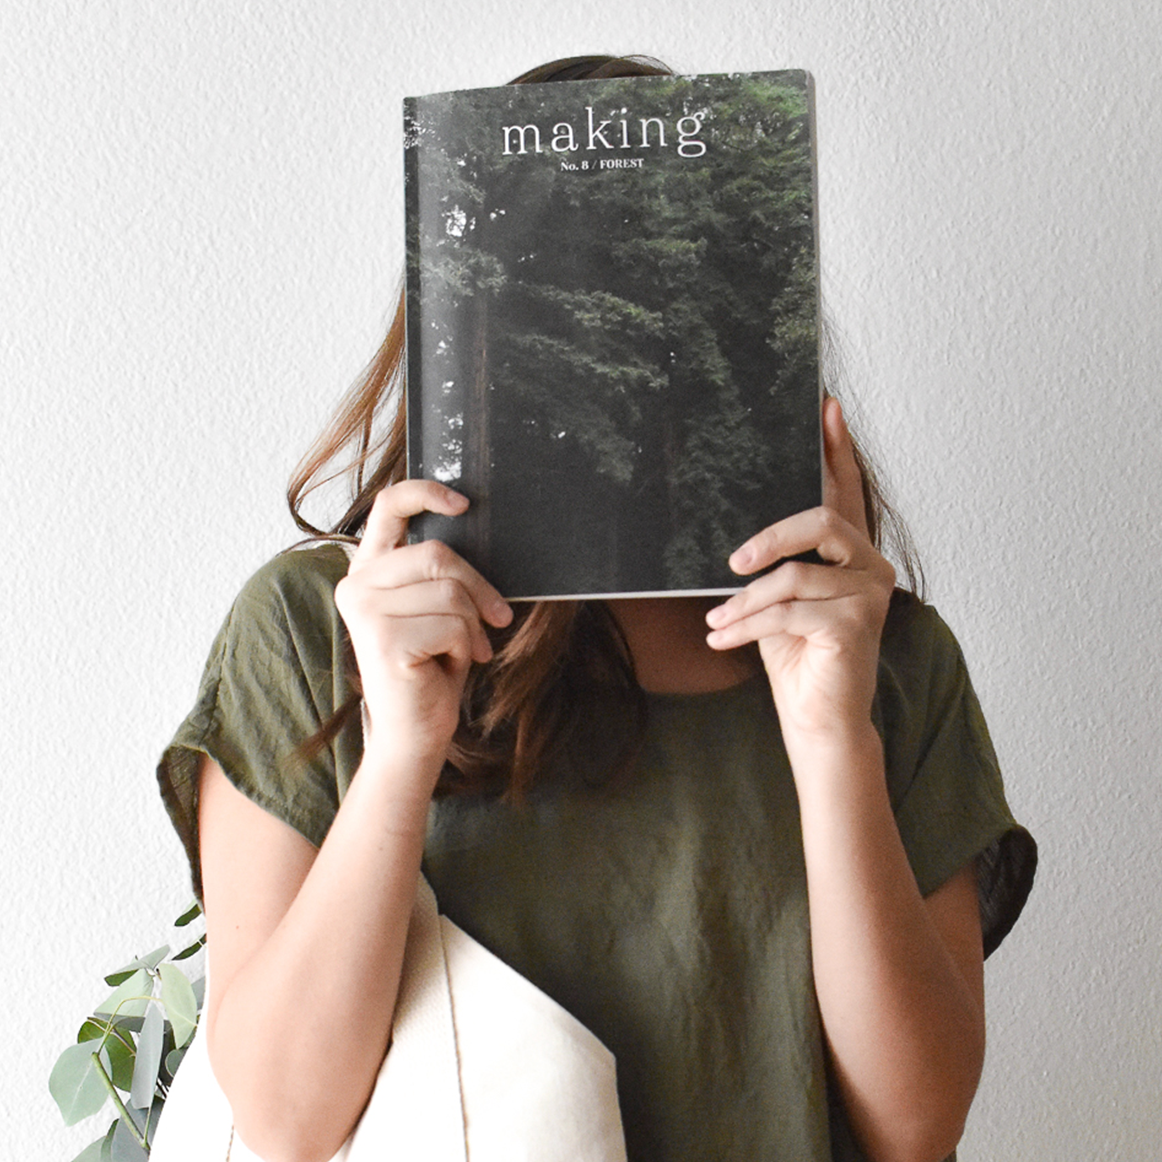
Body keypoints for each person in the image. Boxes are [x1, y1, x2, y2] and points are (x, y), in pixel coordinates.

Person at [157, 55, 1036, 1162]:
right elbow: (287, 1119)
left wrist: (829, 736)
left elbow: (914, 1127)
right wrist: (400, 752)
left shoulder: (883, 658)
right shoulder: (316, 628)